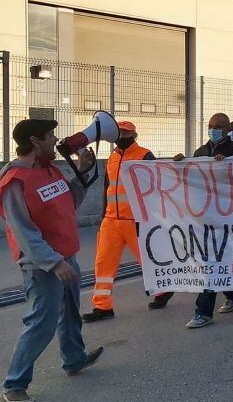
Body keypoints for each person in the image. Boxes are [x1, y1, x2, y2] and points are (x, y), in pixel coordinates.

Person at [0, 119, 103, 401]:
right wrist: (54, 263)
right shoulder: (14, 182)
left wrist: (82, 170)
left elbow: (71, 202)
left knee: (69, 313)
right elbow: (24, 233)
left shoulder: (50, 170)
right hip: (43, 267)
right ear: (34, 141)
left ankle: (74, 358)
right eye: (50, 135)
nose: (55, 139)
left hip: (66, 257)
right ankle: (14, 384)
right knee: (40, 323)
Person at [81, 121, 170, 323]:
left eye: (126, 133)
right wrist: (105, 214)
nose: (122, 136)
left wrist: (152, 218)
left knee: (146, 260)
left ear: (134, 135)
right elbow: (108, 187)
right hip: (111, 220)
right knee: (103, 264)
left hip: (135, 220)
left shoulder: (144, 155)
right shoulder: (112, 158)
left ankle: (163, 291)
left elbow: (155, 187)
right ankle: (101, 306)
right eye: (119, 133)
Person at [184, 113, 233, 329]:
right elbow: (191, 180)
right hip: (205, 217)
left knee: (216, 261)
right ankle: (228, 296)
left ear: (226, 129)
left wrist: (227, 167)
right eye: (210, 126)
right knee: (211, 261)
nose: (213, 129)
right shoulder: (200, 153)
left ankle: (204, 312)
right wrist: (179, 165)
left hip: (229, 218)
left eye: (218, 126)